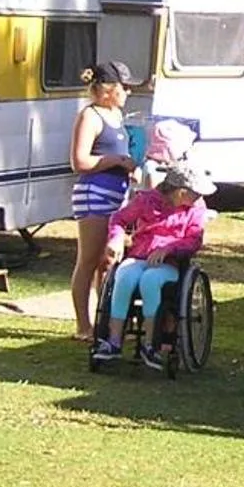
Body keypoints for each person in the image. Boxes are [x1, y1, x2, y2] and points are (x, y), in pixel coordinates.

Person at [91, 162, 213, 363]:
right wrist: (116, 239)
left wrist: (169, 249)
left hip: (170, 263)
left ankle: (151, 343)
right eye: (196, 193)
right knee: (124, 276)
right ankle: (114, 341)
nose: (200, 197)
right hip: (139, 256)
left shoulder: (196, 210)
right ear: (181, 192)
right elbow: (119, 219)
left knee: (150, 280)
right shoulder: (147, 200)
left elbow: (194, 240)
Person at [68, 60, 140, 342]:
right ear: (109, 88)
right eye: (125, 87)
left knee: (108, 261)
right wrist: (116, 160)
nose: (129, 92)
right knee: (89, 259)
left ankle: (107, 321)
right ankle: (83, 325)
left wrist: (130, 167)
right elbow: (79, 161)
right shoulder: (90, 116)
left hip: (118, 194)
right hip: (94, 194)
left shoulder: (117, 116)